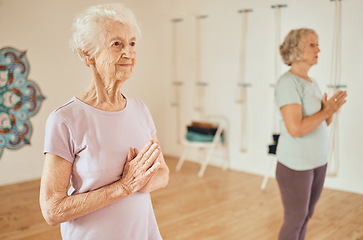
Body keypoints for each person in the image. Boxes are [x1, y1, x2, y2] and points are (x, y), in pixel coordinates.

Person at [39, 3, 169, 240]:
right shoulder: (65, 119)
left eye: (132, 43)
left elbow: (163, 174)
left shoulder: (140, 109)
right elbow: (52, 209)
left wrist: (139, 180)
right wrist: (123, 186)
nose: (128, 52)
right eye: (116, 44)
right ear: (87, 54)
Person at [275, 28, 347, 240]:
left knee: (306, 216)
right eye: (312, 45)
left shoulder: (311, 82)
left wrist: (329, 112)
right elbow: (295, 129)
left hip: (317, 162)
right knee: (295, 218)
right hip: (296, 166)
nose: (318, 49)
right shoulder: (287, 83)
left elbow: (321, 122)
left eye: (317, 44)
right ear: (295, 49)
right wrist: (326, 111)